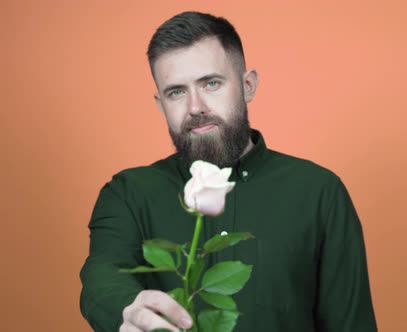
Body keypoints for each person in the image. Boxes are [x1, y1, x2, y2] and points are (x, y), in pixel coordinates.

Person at [80, 11, 377, 332]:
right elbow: (102, 276)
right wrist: (128, 310)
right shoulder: (128, 193)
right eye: (176, 92)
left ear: (247, 85)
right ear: (160, 104)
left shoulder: (319, 191)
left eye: (211, 83)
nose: (195, 106)